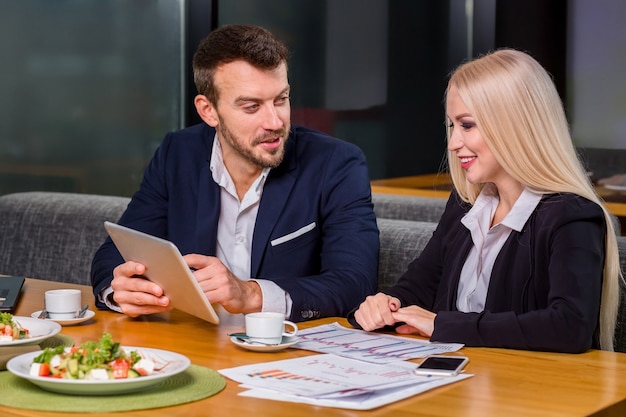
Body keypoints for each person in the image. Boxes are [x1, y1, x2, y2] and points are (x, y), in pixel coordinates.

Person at [91, 24, 379, 322]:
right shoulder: (177, 154)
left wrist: (251, 294)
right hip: (193, 345)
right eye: (252, 106)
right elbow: (116, 252)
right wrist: (121, 290)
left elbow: (355, 284)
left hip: (285, 353)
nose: (274, 121)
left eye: (281, 99)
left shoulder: (336, 164)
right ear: (208, 111)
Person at [350, 49, 622, 353]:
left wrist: (444, 325)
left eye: (467, 125)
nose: (453, 144)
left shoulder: (571, 216)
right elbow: (421, 284)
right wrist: (387, 304)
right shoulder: (465, 204)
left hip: (526, 391)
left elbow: (569, 327)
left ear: (513, 125)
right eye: (453, 126)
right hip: (459, 384)